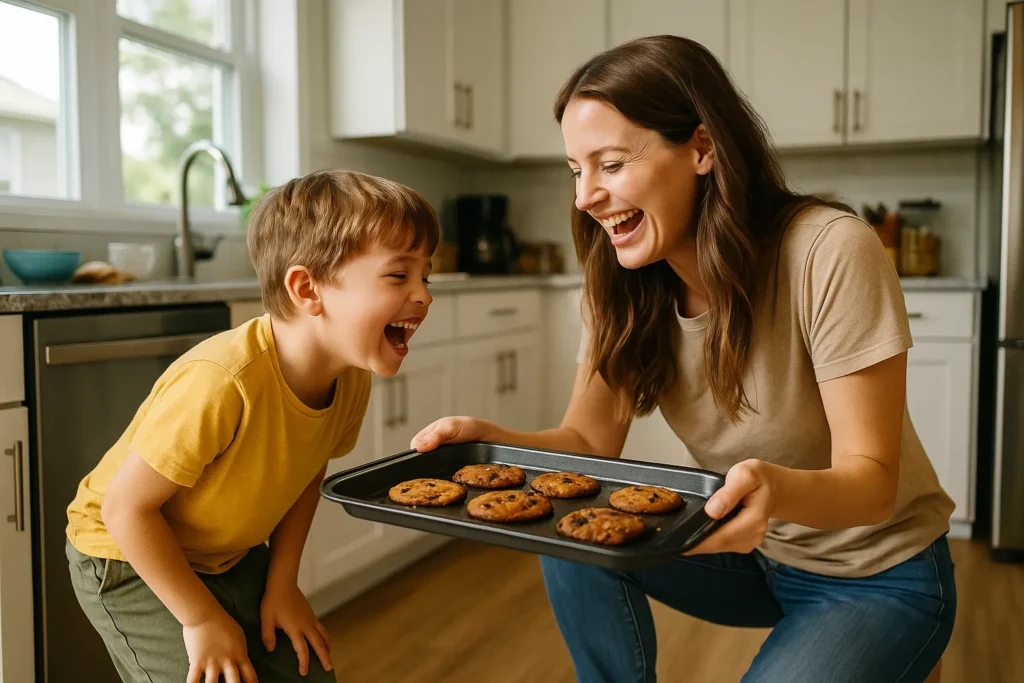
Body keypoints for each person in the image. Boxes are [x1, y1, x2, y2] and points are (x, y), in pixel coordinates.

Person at [411, 35, 956, 683]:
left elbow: (872, 483)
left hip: (880, 575)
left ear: (702, 148)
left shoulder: (828, 250)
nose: (585, 196)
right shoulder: (622, 280)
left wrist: (774, 488)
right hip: (755, 555)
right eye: (575, 170)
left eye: (609, 164)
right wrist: (495, 443)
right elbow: (586, 441)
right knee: (565, 531)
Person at [66, 169, 438, 683]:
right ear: (308, 288)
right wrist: (200, 617)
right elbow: (125, 509)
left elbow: (309, 469)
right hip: (127, 556)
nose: (424, 295)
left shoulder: (350, 376)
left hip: (228, 553)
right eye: (400, 276)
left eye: (427, 275)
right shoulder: (223, 382)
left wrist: (283, 582)